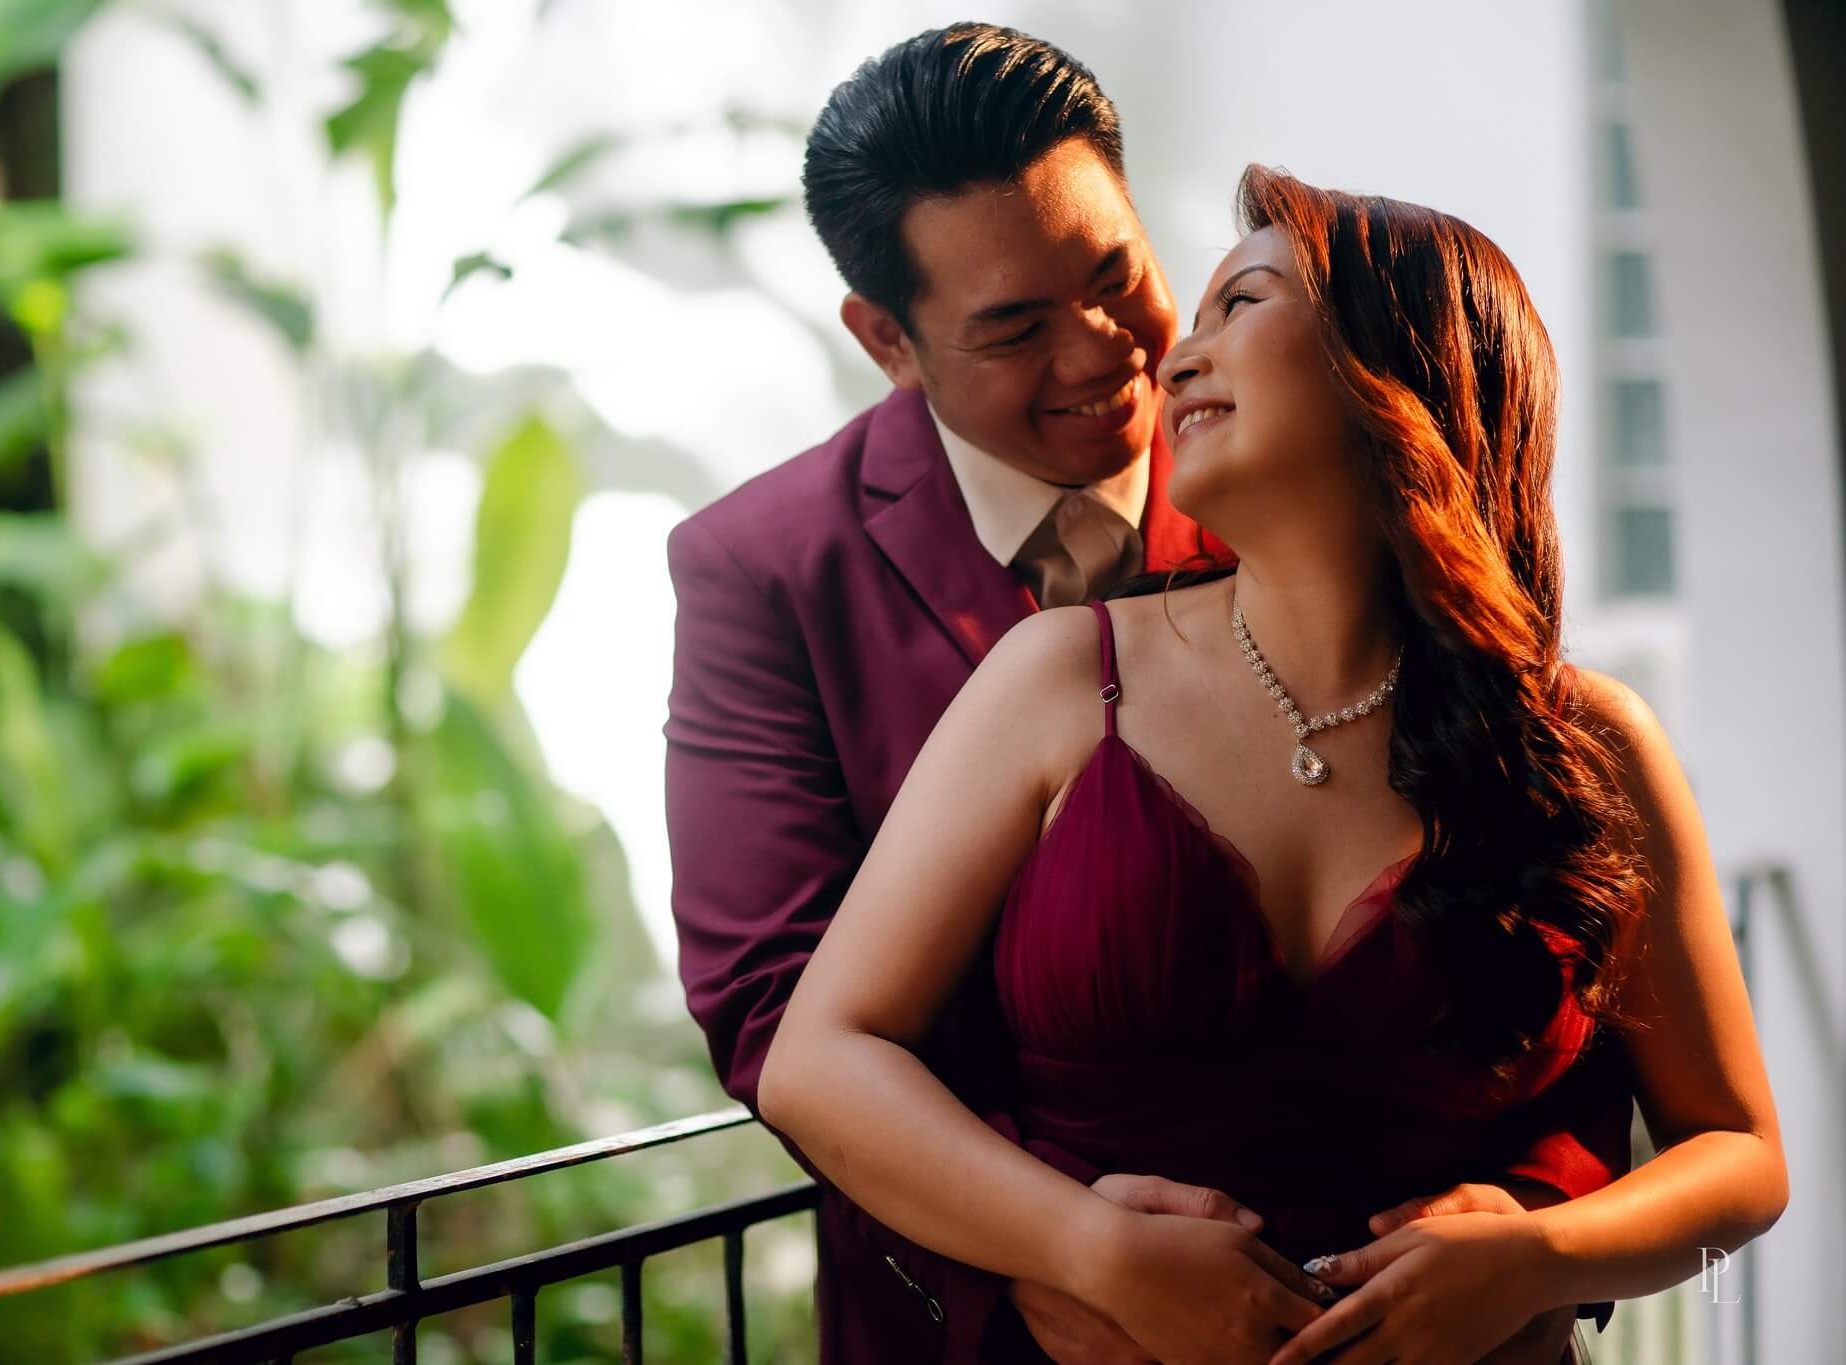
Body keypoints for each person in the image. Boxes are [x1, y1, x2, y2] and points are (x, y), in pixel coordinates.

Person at [668, 24, 1634, 1364]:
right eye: (1015, 328)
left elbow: (1538, 916)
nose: (1108, 355)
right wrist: (1056, 1250)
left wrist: (1532, 1226)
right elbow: (781, 1015)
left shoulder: (1292, 477)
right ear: (889, 338)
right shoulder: (764, 570)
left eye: (1117, 277)